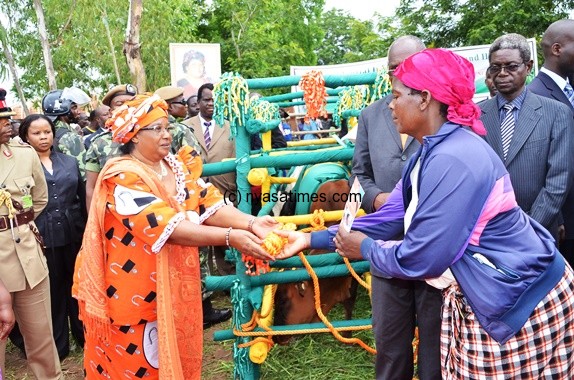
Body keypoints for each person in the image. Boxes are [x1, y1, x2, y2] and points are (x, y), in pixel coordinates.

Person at [276, 48, 574, 378]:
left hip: (520, 300)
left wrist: (364, 248)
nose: (390, 104)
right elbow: (389, 218)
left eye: (397, 95)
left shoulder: (452, 158)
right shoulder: (433, 151)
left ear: (424, 100)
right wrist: (307, 238)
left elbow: (423, 257)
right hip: (498, 292)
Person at [73, 94, 277, 379]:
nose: (166, 135)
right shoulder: (122, 177)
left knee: (173, 357)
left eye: (167, 127)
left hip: (173, 286)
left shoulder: (175, 166)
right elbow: (169, 228)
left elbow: (208, 203)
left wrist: (253, 223)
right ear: (133, 135)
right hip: (134, 292)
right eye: (155, 129)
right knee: (138, 367)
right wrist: (232, 237)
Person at [350, 35, 441, 380]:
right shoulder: (372, 115)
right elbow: (359, 173)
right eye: (394, 69)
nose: (401, 74)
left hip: (435, 250)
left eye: (410, 66)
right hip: (386, 246)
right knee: (390, 345)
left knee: (436, 345)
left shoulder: (442, 114)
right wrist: (375, 198)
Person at [479, 33, 574, 240]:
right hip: (487, 233)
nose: (502, 74)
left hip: (537, 232)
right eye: (495, 67)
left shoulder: (556, 113)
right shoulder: (476, 115)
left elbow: (558, 181)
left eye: (511, 66)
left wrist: (527, 228)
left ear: (528, 67)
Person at [0, 89, 62, 378]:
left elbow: (39, 199)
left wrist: (15, 225)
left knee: (41, 339)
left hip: (27, 257)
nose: (8, 123)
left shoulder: (25, 156)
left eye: (7, 118)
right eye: (1, 119)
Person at [18, 114, 86, 360]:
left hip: (73, 232)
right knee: (54, 292)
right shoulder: (22, 165)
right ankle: (59, 346)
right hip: (43, 235)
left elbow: (81, 195)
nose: (43, 137)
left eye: (47, 131)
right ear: (26, 136)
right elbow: (23, 201)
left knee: (77, 288)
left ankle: (84, 336)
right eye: (36, 133)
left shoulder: (68, 161)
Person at [528, 19, 574, 264]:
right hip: (564, 223)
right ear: (557, 50)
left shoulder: (569, 89)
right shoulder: (537, 97)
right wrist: (557, 219)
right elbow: (541, 166)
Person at [183, 83, 237, 276]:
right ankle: (204, 281)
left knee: (226, 237)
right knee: (198, 238)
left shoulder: (232, 127)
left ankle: (228, 281)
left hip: (225, 190)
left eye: (215, 100)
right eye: (207, 99)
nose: (211, 103)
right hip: (194, 193)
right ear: (198, 102)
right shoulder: (185, 127)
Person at [42, 87, 90, 179]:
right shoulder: (69, 137)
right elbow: (83, 173)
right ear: (64, 110)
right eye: (74, 107)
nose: (78, 112)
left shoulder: (49, 132)